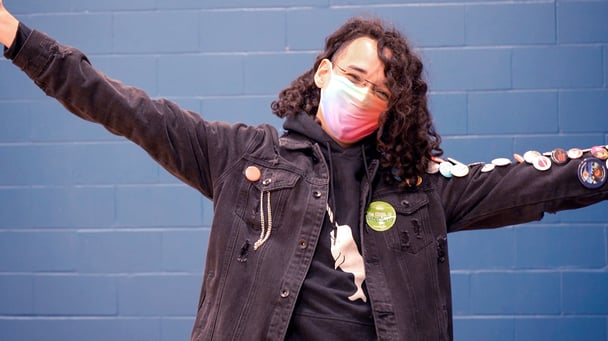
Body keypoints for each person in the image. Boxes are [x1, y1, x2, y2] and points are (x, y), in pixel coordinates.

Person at [1, 2, 607, 340]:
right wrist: (15, 36)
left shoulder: (421, 185)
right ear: (322, 72)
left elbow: (536, 180)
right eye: (354, 76)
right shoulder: (240, 157)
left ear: (394, 107)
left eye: (380, 90)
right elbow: (122, 107)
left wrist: (595, 168)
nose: (363, 93)